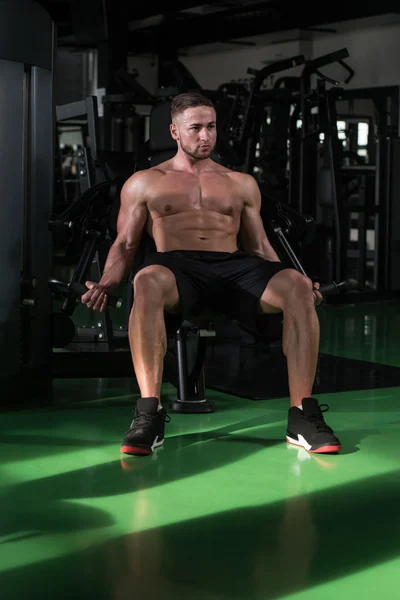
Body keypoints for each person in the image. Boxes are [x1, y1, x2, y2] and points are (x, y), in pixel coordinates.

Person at [81, 91, 341, 456]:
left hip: (233, 265)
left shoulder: (240, 182)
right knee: (146, 279)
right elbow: (125, 244)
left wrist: (296, 280)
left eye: (212, 127)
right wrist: (108, 284)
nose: (206, 136)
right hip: (178, 267)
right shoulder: (145, 182)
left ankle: (302, 415)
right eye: (196, 128)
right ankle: (148, 414)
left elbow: (260, 247)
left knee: (296, 285)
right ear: (174, 132)